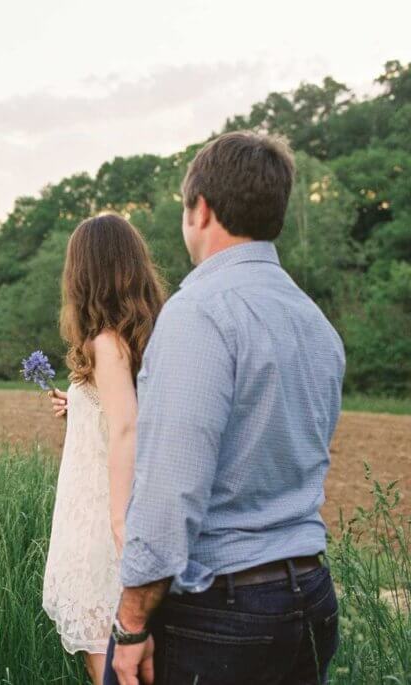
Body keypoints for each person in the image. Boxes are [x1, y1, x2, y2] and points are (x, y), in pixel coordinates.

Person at [107, 131, 346, 685]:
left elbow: (171, 491)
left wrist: (132, 623)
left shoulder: (199, 313)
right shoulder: (314, 321)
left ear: (202, 210)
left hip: (221, 611)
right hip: (310, 595)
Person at [43, 213, 166, 684]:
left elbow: (126, 431)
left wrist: (120, 529)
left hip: (105, 523)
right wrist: (79, 408)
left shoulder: (107, 343)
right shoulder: (135, 339)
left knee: (111, 665)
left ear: (84, 273)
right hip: (108, 515)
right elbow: (124, 416)